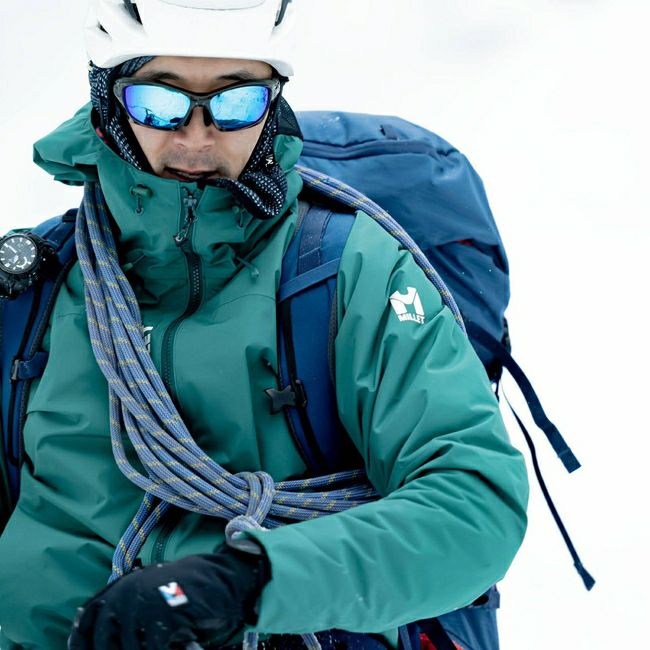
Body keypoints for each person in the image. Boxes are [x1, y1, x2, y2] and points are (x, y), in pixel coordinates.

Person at [0, 1, 529, 649]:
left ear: (273, 103)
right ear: (109, 100)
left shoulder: (348, 271)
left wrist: (244, 583)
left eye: (236, 103)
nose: (196, 138)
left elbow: (473, 503)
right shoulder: (35, 287)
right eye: (159, 103)